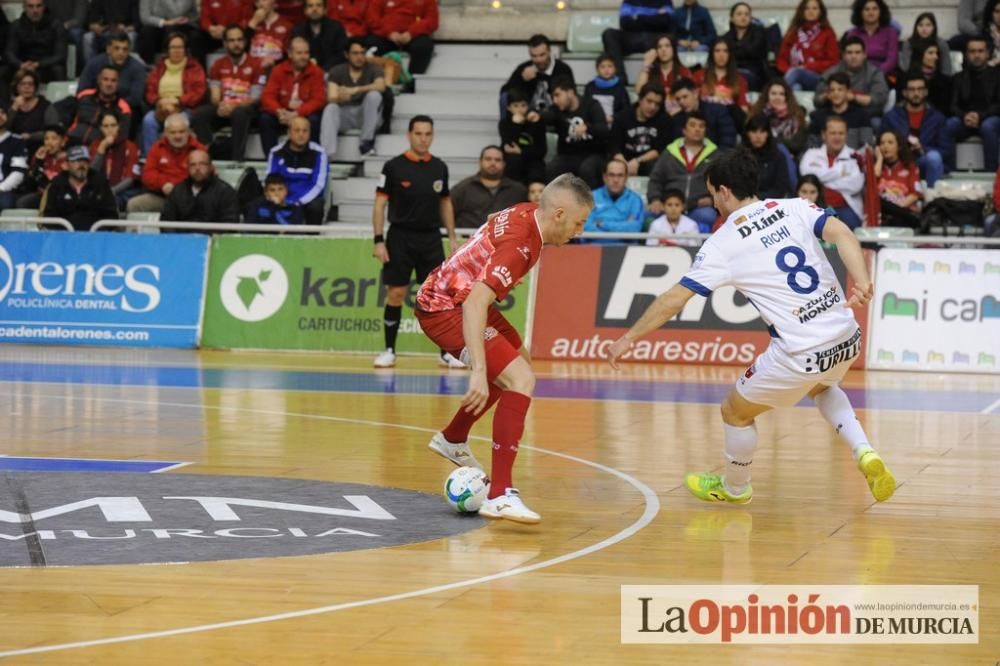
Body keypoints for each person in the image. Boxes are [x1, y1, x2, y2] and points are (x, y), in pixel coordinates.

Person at [606, 148, 895, 506]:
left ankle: (735, 487)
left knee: (735, 412)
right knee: (823, 386)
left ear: (724, 191)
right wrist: (863, 280)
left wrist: (629, 337)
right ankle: (864, 452)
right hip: (847, 336)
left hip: (800, 351)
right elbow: (844, 234)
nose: (712, 202)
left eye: (712, 193)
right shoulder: (795, 207)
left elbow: (674, 299)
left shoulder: (723, 243)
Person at [416, 174, 594, 523]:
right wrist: (479, 373)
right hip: (446, 308)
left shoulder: (528, 213)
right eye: (578, 222)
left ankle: (454, 437)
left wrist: (493, 271)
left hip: (456, 294)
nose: (580, 231)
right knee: (519, 379)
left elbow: (489, 226)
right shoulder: (522, 245)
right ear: (558, 214)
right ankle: (499, 494)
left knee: (519, 364)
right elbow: (473, 306)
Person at [372, 115, 461, 369]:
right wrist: (378, 240)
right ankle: (389, 350)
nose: (423, 139)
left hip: (431, 238)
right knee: (396, 293)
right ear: (409, 135)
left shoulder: (439, 167)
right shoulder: (393, 167)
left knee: (438, 296)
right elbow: (379, 205)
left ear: (432, 136)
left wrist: (452, 237)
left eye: (428, 134)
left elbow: (445, 202)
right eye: (418, 133)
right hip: (400, 237)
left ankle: (447, 352)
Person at [191, 24, 265, 161]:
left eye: (239, 40)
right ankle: (207, 155)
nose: (236, 44)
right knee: (200, 114)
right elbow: (214, 94)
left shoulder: (257, 64)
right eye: (231, 41)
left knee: (240, 113)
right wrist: (220, 105)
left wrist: (234, 106)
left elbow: (255, 97)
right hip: (224, 108)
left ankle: (237, 159)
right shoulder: (218, 65)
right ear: (224, 44)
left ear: (245, 42)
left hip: (247, 110)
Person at [647, 111, 719, 231]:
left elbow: (721, 183)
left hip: (698, 208)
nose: (697, 129)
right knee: (648, 215)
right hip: (669, 206)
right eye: (693, 125)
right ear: (684, 130)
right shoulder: (669, 152)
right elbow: (655, 179)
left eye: (701, 126)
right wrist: (655, 199)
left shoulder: (715, 155)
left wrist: (712, 199)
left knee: (708, 216)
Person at [535, 78, 609, 189]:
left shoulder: (591, 105)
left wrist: (587, 128)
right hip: (568, 155)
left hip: (593, 154)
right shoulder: (556, 109)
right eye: (553, 97)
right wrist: (537, 116)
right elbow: (548, 115)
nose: (555, 100)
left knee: (587, 168)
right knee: (552, 168)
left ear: (570, 92)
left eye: (557, 95)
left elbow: (604, 130)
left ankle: (592, 204)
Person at [141, 32, 208, 155]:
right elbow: (150, 89)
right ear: (168, 50)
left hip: (185, 107)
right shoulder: (159, 67)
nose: (176, 50)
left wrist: (178, 101)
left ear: (185, 50)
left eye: (180, 47)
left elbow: (199, 91)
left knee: (178, 123)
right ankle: (149, 158)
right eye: (173, 47)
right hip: (161, 106)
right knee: (148, 120)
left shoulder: (194, 67)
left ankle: (179, 159)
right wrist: (159, 101)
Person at [319, 36, 386, 159]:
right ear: (347, 55)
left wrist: (356, 89)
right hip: (346, 114)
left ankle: (366, 143)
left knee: (374, 96)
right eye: (355, 53)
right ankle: (327, 154)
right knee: (331, 108)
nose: (359, 57)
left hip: (367, 115)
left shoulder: (374, 69)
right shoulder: (337, 71)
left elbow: (381, 86)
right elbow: (332, 97)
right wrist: (342, 97)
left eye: (362, 53)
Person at [128, 113, 206, 214]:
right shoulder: (157, 148)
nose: (177, 136)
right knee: (134, 205)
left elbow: (206, 175)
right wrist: (163, 184)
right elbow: (147, 175)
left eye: (181, 132)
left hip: (191, 199)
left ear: (188, 132)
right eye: (173, 132)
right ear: (166, 133)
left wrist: (177, 188)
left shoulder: (199, 149)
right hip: (162, 197)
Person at [260, 36, 326, 154]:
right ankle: (272, 157)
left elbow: (318, 100)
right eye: (299, 53)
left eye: (306, 53)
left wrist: (297, 113)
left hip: (304, 113)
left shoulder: (317, 72)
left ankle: (312, 156)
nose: (304, 57)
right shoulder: (278, 70)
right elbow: (268, 96)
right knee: (265, 118)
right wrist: (279, 111)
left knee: (315, 119)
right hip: (283, 113)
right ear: (290, 54)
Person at [883, 72, 951, 186]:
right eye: (912, 89)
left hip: (924, 161)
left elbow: (946, 151)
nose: (916, 93)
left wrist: (922, 149)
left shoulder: (938, 118)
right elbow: (881, 144)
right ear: (905, 93)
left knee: (934, 158)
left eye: (920, 89)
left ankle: (932, 200)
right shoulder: (891, 117)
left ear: (926, 92)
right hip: (899, 162)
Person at [799, 115, 865, 228]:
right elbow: (807, 176)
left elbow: (855, 185)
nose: (837, 137)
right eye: (833, 133)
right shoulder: (811, 154)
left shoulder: (855, 156)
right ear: (824, 135)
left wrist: (821, 181)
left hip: (845, 209)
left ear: (846, 135)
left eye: (841, 133)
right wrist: (840, 173)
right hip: (815, 207)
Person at [948, 37, 1000, 172]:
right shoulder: (958, 78)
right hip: (964, 119)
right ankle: (949, 172)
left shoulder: (997, 75)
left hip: (990, 117)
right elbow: (952, 105)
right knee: (949, 125)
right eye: (972, 51)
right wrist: (965, 116)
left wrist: (980, 116)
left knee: (988, 127)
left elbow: (998, 104)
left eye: (980, 51)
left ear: (988, 53)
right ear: (966, 54)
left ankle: (991, 173)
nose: (976, 55)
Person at [813, 36, 889, 126]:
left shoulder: (875, 73)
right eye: (849, 53)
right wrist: (829, 95)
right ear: (843, 55)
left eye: (857, 52)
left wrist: (853, 97)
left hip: (865, 115)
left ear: (864, 55)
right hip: (835, 115)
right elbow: (817, 99)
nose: (853, 56)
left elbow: (879, 99)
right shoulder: (831, 72)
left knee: (877, 123)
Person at [266, 116, 329, 224]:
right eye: (297, 130)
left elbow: (318, 185)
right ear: (289, 133)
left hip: (306, 201)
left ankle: (312, 239)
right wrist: (280, 199)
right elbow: (271, 180)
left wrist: (298, 202)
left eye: (305, 131)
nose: (301, 134)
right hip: (281, 198)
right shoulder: (276, 152)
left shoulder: (319, 153)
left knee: (316, 206)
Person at [40, 145, 118, 231]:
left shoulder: (101, 184)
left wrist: (97, 234)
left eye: (85, 161)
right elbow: (47, 218)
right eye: (76, 161)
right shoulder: (56, 185)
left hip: (96, 239)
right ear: (66, 165)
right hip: (63, 239)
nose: (82, 165)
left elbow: (112, 216)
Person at [1, 0, 68, 101]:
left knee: (58, 70)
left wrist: (38, 64)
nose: (35, 10)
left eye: (38, 6)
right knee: (2, 72)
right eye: (30, 6)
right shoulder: (16, 25)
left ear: (44, 7)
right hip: (21, 67)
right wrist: (20, 64)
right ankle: (5, 110)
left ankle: (61, 110)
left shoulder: (56, 25)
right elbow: (9, 52)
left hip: (45, 67)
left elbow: (61, 55)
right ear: (24, 7)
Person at [451, 146, 527, 229]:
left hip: (508, 240)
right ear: (480, 162)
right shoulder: (463, 188)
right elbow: (446, 214)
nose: (492, 163)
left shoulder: (518, 191)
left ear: (503, 164)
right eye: (488, 159)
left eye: (497, 160)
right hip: (471, 239)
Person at [601, 1, 673, 85]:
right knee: (609, 34)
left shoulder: (665, 1)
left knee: (667, 40)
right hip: (632, 37)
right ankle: (620, 79)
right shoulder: (629, 1)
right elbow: (624, 22)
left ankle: (656, 83)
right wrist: (654, 17)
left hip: (653, 38)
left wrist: (638, 17)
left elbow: (665, 21)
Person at [501, 34, 576, 115]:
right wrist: (521, 79)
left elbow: (570, 95)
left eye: (542, 55)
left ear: (549, 51)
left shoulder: (562, 69)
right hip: (528, 114)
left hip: (556, 114)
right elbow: (505, 91)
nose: (538, 60)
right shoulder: (524, 68)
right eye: (534, 56)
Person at [162, 149, 241, 224]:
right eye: (193, 165)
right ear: (188, 168)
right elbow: (166, 222)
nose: (197, 168)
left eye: (202, 164)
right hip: (182, 237)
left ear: (210, 167)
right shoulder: (178, 192)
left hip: (213, 237)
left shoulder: (225, 192)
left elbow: (230, 224)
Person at [79, 32, 148, 117]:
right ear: (108, 49)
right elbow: (82, 91)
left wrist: (111, 105)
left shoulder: (137, 68)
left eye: (125, 49)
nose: (121, 53)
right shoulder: (94, 64)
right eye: (116, 48)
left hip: (124, 109)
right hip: (95, 107)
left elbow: (136, 98)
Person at [610, 83, 673, 177]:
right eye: (649, 101)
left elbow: (660, 149)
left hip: (647, 161)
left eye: (657, 104)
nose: (653, 107)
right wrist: (624, 165)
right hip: (623, 159)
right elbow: (614, 146)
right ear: (640, 99)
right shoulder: (622, 117)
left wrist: (637, 160)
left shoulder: (664, 119)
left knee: (655, 166)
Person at [776, 0, 839, 91]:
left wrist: (807, 67)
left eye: (814, 8)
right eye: (807, 8)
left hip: (819, 78)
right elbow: (782, 59)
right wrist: (789, 70)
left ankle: (776, 94)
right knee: (796, 87)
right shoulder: (793, 32)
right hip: (793, 75)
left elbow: (833, 61)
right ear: (801, 11)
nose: (810, 11)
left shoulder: (828, 33)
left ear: (820, 12)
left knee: (796, 73)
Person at [364, 0, 438, 75]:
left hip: (414, 37)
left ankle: (412, 82)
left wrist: (411, 33)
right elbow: (372, 18)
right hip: (387, 36)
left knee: (424, 45)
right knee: (371, 44)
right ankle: (378, 80)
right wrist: (389, 33)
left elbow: (432, 20)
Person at [691, 38, 750, 129]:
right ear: (711, 54)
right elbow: (692, 106)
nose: (721, 55)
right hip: (703, 124)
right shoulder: (698, 75)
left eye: (725, 51)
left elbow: (743, 110)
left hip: (728, 125)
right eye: (717, 51)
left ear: (730, 54)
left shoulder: (739, 80)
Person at [69, 67, 134, 148]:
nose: (109, 84)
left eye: (113, 81)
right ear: (99, 80)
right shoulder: (84, 96)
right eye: (105, 79)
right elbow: (67, 118)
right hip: (71, 143)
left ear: (118, 84)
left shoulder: (123, 108)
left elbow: (121, 138)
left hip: (98, 150)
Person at [583, 158, 645, 242]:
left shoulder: (635, 200)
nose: (616, 180)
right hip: (594, 249)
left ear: (626, 178)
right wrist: (623, 226)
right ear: (604, 177)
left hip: (626, 250)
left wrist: (601, 224)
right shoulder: (590, 197)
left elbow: (634, 228)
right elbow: (585, 226)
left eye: (620, 175)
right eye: (611, 175)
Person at [91, 112, 142, 210]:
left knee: (107, 202)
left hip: (123, 193)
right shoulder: (95, 145)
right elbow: (90, 174)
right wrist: (102, 149)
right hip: (99, 192)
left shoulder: (130, 146)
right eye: (105, 126)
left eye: (113, 125)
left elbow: (130, 179)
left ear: (119, 126)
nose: (110, 130)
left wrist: (110, 191)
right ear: (100, 128)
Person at [809, 71, 873, 149]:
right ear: (828, 94)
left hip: (854, 159)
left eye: (840, 89)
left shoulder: (862, 116)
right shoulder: (818, 117)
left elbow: (866, 147)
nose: (836, 93)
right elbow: (812, 146)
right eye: (832, 90)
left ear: (848, 92)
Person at [873, 128, 922, 227]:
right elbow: (871, 186)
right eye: (882, 143)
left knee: (897, 219)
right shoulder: (876, 167)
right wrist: (879, 159)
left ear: (899, 146)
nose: (885, 146)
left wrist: (897, 208)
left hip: (903, 212)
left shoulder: (910, 167)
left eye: (890, 142)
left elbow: (915, 194)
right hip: (881, 213)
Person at [669, 77, 737, 148]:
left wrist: (717, 157)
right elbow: (677, 145)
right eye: (678, 99)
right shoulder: (677, 119)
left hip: (717, 156)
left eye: (685, 97)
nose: (681, 102)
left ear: (695, 93)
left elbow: (728, 139)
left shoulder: (718, 111)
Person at [498, 88, 547, 185]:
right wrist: (516, 125)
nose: (520, 109)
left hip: (533, 160)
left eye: (523, 105)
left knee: (536, 171)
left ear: (528, 106)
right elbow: (508, 147)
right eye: (515, 106)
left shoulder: (536, 122)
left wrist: (521, 152)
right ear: (508, 107)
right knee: (513, 161)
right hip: (513, 161)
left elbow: (542, 150)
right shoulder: (504, 123)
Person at [749, 78, 809, 158]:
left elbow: (796, 145)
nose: (777, 97)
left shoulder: (797, 117)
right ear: (767, 96)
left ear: (786, 97)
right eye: (773, 94)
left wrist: (772, 140)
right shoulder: (757, 115)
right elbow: (750, 141)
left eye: (781, 94)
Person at [7, 70, 59, 155]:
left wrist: (31, 136)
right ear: (16, 87)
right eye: (22, 84)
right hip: (13, 148)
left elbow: (54, 132)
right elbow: (3, 129)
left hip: (39, 148)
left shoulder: (45, 105)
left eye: (30, 84)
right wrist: (14, 108)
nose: (27, 87)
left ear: (35, 87)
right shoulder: (10, 106)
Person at [16, 123, 64, 209]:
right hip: (41, 195)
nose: (49, 142)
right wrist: (38, 162)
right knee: (22, 202)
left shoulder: (68, 160)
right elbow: (30, 183)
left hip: (60, 196)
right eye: (46, 139)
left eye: (54, 138)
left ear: (63, 142)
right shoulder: (40, 156)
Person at [844, 0, 898, 75]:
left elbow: (892, 60)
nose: (871, 12)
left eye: (874, 9)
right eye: (867, 9)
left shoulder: (890, 33)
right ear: (860, 12)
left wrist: (876, 74)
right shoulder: (852, 33)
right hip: (857, 75)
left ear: (880, 12)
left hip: (883, 75)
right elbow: (848, 58)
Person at [744, 114, 792, 199]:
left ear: (768, 134)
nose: (758, 136)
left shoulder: (778, 156)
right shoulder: (738, 157)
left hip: (770, 203)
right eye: (754, 131)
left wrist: (758, 198)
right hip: (743, 203)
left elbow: (781, 188)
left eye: (762, 131)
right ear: (747, 133)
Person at [723, 2, 769, 91]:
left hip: (755, 73)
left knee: (740, 76)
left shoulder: (759, 32)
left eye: (746, 14)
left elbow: (752, 51)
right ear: (732, 18)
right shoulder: (726, 37)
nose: (743, 17)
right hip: (732, 70)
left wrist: (735, 50)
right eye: (739, 14)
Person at [635, 34, 691, 106]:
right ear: (656, 51)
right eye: (659, 47)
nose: (663, 50)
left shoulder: (683, 71)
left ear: (673, 49)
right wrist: (647, 63)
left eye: (667, 46)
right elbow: (639, 91)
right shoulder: (650, 70)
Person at [900, 39, 953, 115]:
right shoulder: (907, 78)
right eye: (930, 53)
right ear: (920, 55)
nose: (935, 57)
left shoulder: (944, 80)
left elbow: (945, 108)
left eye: (937, 53)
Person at [293, 0, 348, 72]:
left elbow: (342, 54)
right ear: (305, 11)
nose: (314, 9)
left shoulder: (336, 28)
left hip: (332, 72)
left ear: (325, 10)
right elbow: (295, 55)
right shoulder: (298, 31)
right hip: (305, 72)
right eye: (310, 6)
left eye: (318, 5)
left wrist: (323, 70)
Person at [138, 0, 198, 65]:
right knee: (147, 31)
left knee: (171, 30)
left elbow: (194, 14)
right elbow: (145, 18)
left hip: (179, 25)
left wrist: (188, 19)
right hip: (156, 24)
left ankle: (170, 64)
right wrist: (166, 22)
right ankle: (147, 65)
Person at [583, 53, 631, 127]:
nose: (606, 70)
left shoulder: (620, 87)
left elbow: (625, 109)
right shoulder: (590, 86)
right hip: (594, 125)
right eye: (602, 67)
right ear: (597, 69)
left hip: (614, 125)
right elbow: (585, 108)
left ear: (615, 69)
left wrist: (613, 118)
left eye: (610, 66)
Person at [248, 0, 295, 69]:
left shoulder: (287, 25)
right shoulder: (250, 24)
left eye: (264, 0)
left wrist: (275, 62)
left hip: (278, 70)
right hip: (253, 70)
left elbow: (289, 53)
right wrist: (254, 22)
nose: (260, 4)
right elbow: (241, 46)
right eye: (257, 1)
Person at [0, 106, 28, 210]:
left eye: (2, 113)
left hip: (3, 190)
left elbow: (18, 173)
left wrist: (1, 188)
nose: (0, 116)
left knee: (4, 202)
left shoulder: (17, 141)